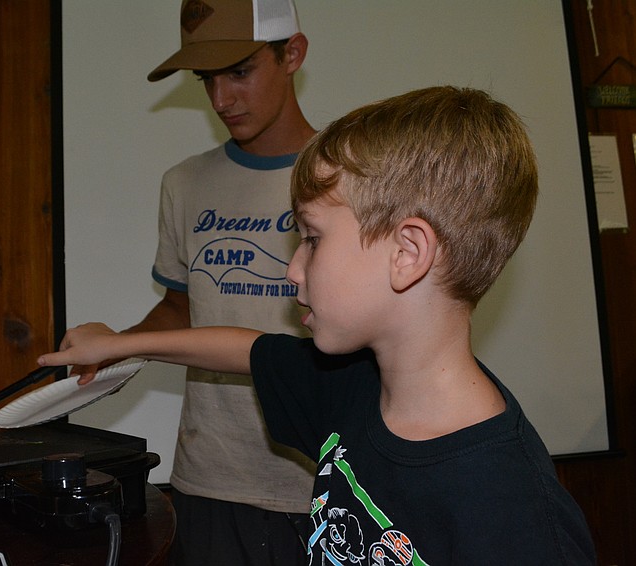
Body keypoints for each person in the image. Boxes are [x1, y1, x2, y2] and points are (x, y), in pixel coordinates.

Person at [40, 86, 597, 564]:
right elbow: (244, 348)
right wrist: (118, 344)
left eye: (311, 238)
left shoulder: (518, 515)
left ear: (408, 252)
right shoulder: (349, 385)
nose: (294, 269)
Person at [69, 1, 317, 564]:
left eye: (240, 72)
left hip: (318, 484)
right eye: (208, 79)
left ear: (293, 54)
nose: (221, 99)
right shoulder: (185, 184)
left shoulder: (349, 173)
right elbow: (182, 307)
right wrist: (117, 346)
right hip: (207, 484)